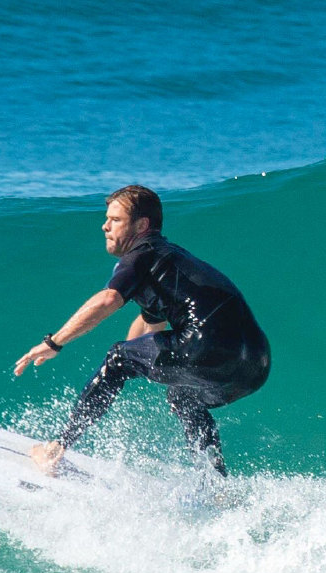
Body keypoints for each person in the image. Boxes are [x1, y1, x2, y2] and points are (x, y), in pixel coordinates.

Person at [14, 185, 270, 476]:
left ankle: (56, 449)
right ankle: (216, 484)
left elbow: (108, 299)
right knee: (181, 396)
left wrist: (55, 342)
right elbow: (150, 328)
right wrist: (122, 368)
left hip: (206, 343)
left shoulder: (141, 253)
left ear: (142, 225)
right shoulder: (168, 261)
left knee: (118, 357)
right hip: (255, 364)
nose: (104, 226)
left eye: (115, 220)